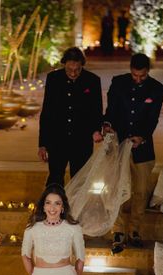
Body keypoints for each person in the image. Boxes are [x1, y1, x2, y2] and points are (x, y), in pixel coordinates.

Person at [103, 53, 163, 254]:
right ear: (130, 70)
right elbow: (111, 109)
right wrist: (107, 125)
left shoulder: (157, 88)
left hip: (143, 148)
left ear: (148, 72)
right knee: (117, 188)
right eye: (135, 75)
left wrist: (143, 136)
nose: (138, 79)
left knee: (141, 191)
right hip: (119, 145)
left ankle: (135, 230)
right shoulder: (118, 83)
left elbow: (153, 118)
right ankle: (119, 230)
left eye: (142, 76)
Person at [38, 46, 103, 187]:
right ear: (64, 65)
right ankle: (54, 208)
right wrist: (43, 144)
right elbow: (47, 112)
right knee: (55, 178)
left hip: (82, 140)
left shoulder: (92, 80)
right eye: (69, 70)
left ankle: (76, 209)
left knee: (79, 181)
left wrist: (96, 130)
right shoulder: (53, 79)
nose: (73, 73)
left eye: (77, 70)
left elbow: (96, 109)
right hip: (57, 141)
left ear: (82, 65)